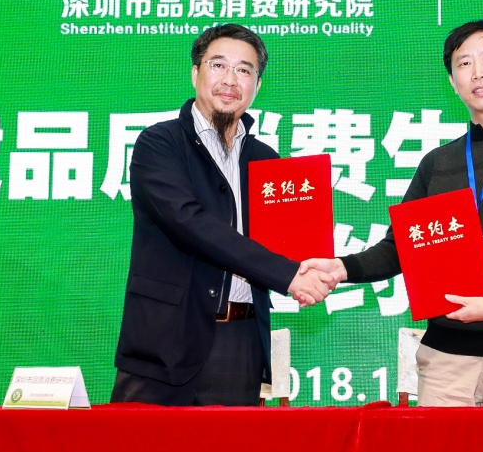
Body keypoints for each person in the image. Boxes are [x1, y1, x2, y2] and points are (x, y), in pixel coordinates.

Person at [302, 20, 483, 406]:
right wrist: (342, 268)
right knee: (437, 450)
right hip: (446, 362)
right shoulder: (438, 163)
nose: (478, 72)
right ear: (452, 81)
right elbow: (401, 247)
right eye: (464, 63)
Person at [112, 24, 335, 406]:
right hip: (164, 343)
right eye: (218, 65)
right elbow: (190, 223)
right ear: (195, 73)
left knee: (234, 446)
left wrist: (310, 268)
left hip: (241, 343)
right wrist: (289, 275)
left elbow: (285, 240)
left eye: (244, 70)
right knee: (141, 446)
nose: (230, 80)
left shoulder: (266, 161)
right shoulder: (160, 143)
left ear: (257, 85)